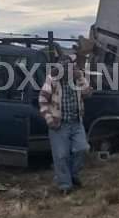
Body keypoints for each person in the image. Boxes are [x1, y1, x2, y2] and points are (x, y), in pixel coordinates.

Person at [39, 53, 92, 194]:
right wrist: (49, 119)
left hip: (76, 122)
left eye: (70, 67)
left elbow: (88, 93)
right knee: (61, 156)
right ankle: (65, 186)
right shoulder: (52, 79)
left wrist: (80, 77)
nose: (67, 70)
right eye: (64, 67)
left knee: (83, 149)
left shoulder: (77, 78)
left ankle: (73, 175)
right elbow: (42, 101)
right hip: (59, 124)